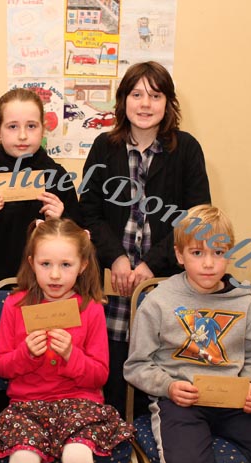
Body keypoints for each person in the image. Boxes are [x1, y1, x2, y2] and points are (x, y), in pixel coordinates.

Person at [78, 61, 211, 415]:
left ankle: (154, 436)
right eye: (136, 94)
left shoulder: (186, 149)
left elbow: (195, 217)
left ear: (168, 102)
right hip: (112, 278)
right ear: (122, 101)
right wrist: (117, 257)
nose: (145, 104)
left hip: (164, 277)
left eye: (155, 95)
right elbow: (88, 210)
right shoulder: (104, 147)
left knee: (159, 359)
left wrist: (152, 263)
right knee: (114, 361)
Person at [124, 205, 251, 463]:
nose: (208, 263)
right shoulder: (158, 301)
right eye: (197, 253)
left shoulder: (243, 301)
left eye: (218, 253)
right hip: (180, 404)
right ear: (179, 255)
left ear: (229, 255)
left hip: (236, 404)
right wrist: (169, 386)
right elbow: (137, 365)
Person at [0, 218, 134, 463]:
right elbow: (0, 366)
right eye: (46, 264)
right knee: (22, 457)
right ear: (32, 263)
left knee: (77, 455)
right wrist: (26, 354)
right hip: (27, 405)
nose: (55, 275)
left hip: (80, 404)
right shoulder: (14, 305)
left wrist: (71, 355)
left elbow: (100, 375)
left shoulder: (91, 308)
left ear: (83, 265)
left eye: (66, 265)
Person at [0, 87, 80, 382]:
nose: (22, 136)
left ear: (43, 130)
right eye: (13, 127)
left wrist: (62, 219)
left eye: (31, 126)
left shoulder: (57, 176)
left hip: (48, 300)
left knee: (44, 378)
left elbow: (82, 244)